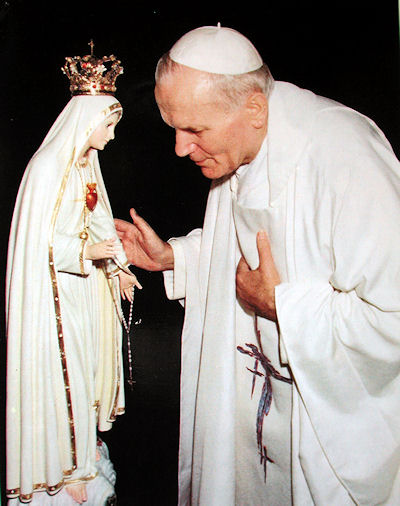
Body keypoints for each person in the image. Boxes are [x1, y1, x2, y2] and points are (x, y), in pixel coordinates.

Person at [115, 25, 400, 505]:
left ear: (253, 108)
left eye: (195, 130)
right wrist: (174, 258)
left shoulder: (345, 156)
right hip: (257, 415)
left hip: (325, 431)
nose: (180, 148)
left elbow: (393, 314)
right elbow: (251, 250)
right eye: (174, 128)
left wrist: (282, 306)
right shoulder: (238, 148)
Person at [6, 44, 140, 505]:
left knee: (86, 374)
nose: (112, 135)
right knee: (68, 378)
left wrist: (119, 269)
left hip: (83, 292)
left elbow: (100, 222)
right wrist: (88, 252)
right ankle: (68, 468)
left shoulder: (86, 165)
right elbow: (38, 245)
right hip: (53, 298)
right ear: (87, 122)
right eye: (109, 125)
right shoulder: (47, 169)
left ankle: (83, 455)